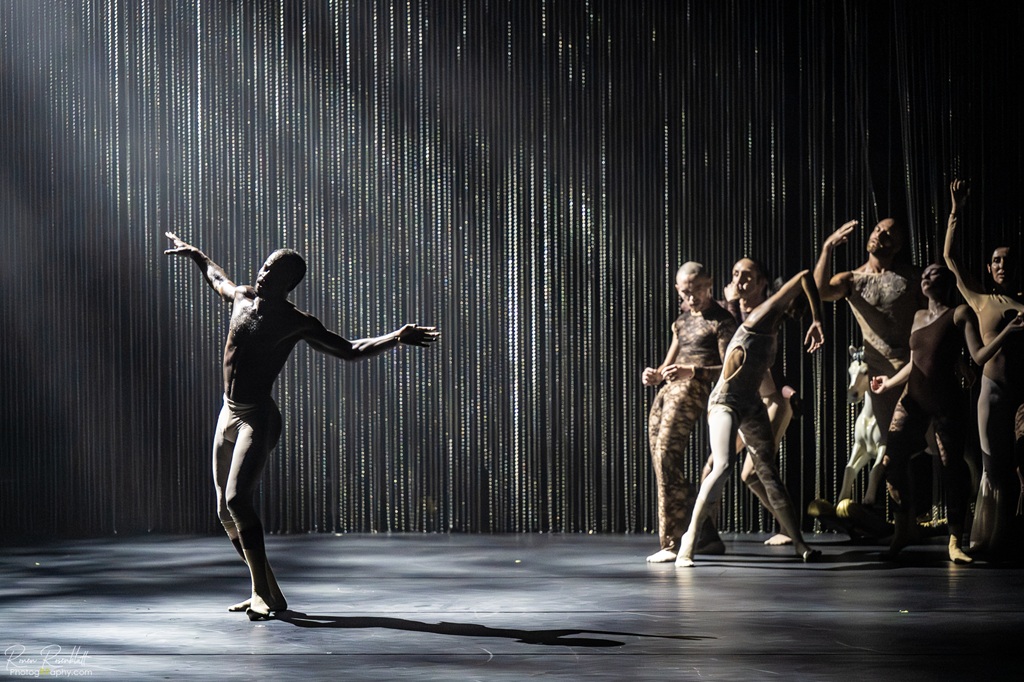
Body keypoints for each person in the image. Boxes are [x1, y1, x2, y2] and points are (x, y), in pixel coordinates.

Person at [164, 232, 439, 619]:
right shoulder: (242, 297)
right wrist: (196, 254)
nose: (264, 275)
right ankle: (268, 593)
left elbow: (350, 350)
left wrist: (396, 337)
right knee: (225, 512)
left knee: (238, 501)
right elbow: (217, 278)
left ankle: (261, 593)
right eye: (265, 267)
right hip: (227, 413)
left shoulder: (295, 322)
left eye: (274, 274)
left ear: (288, 284)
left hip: (257, 418)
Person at [676, 270, 825, 568]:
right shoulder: (761, 315)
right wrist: (818, 320)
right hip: (725, 402)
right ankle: (688, 540)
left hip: (751, 404)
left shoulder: (773, 331)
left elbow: (766, 379)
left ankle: (799, 543)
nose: (799, 311)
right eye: (798, 304)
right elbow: (806, 276)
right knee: (723, 465)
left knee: (768, 473)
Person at [869, 264, 980, 563]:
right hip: (912, 399)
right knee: (892, 460)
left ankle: (955, 540)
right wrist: (889, 383)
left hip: (945, 400)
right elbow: (914, 361)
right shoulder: (918, 316)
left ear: (948, 281)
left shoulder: (958, 313)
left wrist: (961, 362)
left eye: (934, 273)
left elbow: (963, 350)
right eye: (924, 274)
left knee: (951, 467)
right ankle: (904, 529)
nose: (926, 277)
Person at [814, 218, 923, 505]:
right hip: (877, 373)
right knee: (887, 447)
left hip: (910, 367)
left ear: (897, 245)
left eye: (888, 233)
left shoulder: (911, 277)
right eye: (877, 230)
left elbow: (934, 315)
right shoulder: (853, 280)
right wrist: (827, 248)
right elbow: (821, 290)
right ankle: (889, 515)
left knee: (911, 444)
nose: (879, 235)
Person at [944, 179, 1024, 556]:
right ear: (989, 268)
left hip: (1021, 394)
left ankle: (1013, 536)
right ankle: (991, 539)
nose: (1002, 265)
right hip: (992, 391)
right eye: (996, 261)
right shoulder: (981, 299)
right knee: (993, 466)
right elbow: (950, 258)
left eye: (1008, 260)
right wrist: (956, 210)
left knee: (1018, 464)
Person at [642, 262, 737, 563]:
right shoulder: (682, 321)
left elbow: (731, 369)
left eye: (697, 289)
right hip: (669, 392)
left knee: (666, 455)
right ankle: (705, 534)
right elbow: (668, 363)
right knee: (662, 461)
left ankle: (672, 541)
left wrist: (692, 371)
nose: (692, 296)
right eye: (685, 292)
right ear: (678, 290)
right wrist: (655, 374)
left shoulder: (722, 321)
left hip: (695, 390)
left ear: (709, 284)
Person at [702, 258, 799, 546]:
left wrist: (787, 392)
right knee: (723, 469)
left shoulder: (770, 310)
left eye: (747, 275)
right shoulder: (728, 311)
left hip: (770, 402)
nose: (739, 281)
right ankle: (707, 535)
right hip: (743, 402)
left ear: (762, 282)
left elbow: (740, 346)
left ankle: (791, 532)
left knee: (755, 470)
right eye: (735, 274)